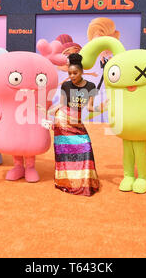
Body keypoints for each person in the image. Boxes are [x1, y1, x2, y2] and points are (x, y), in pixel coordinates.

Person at [43, 53, 106, 196]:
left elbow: (90, 108)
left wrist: (102, 107)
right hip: (63, 120)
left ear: (82, 72)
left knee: (86, 146)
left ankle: (85, 182)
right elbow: (62, 104)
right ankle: (65, 181)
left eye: (75, 73)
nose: (72, 76)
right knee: (65, 150)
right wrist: (47, 111)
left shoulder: (91, 86)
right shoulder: (65, 85)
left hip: (76, 122)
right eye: (70, 73)